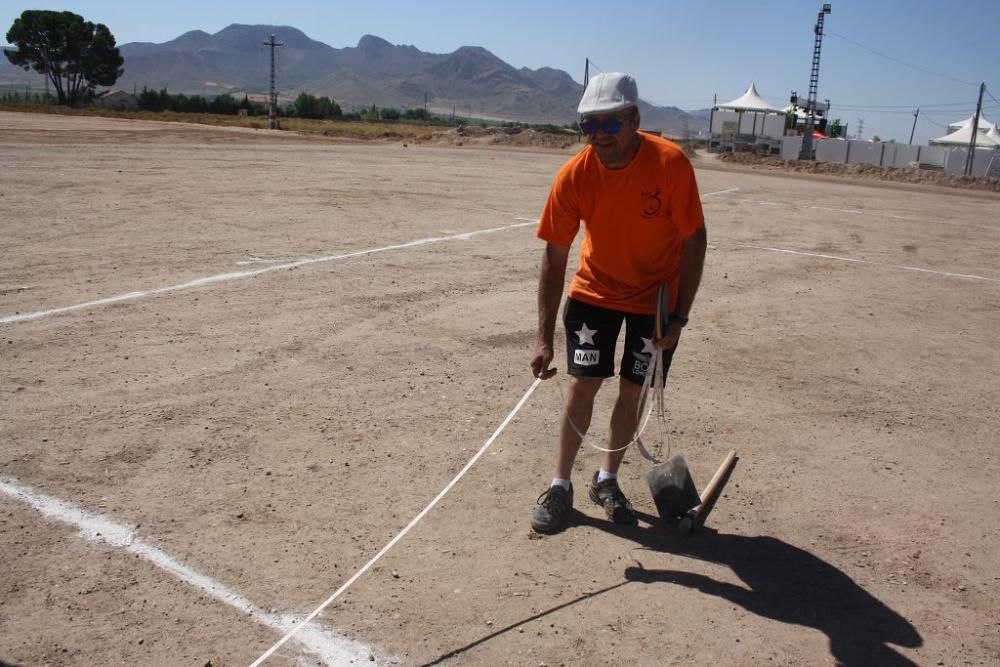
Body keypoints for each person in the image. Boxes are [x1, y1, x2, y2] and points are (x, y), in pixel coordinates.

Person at [529, 72, 707, 534]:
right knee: (582, 385)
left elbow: (694, 239)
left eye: (610, 125)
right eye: (590, 126)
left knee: (634, 390)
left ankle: (606, 480)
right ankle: (561, 486)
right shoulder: (574, 175)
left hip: (655, 301)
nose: (599, 136)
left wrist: (679, 318)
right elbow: (554, 256)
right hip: (594, 294)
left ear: (635, 121)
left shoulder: (669, 164)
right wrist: (544, 337)